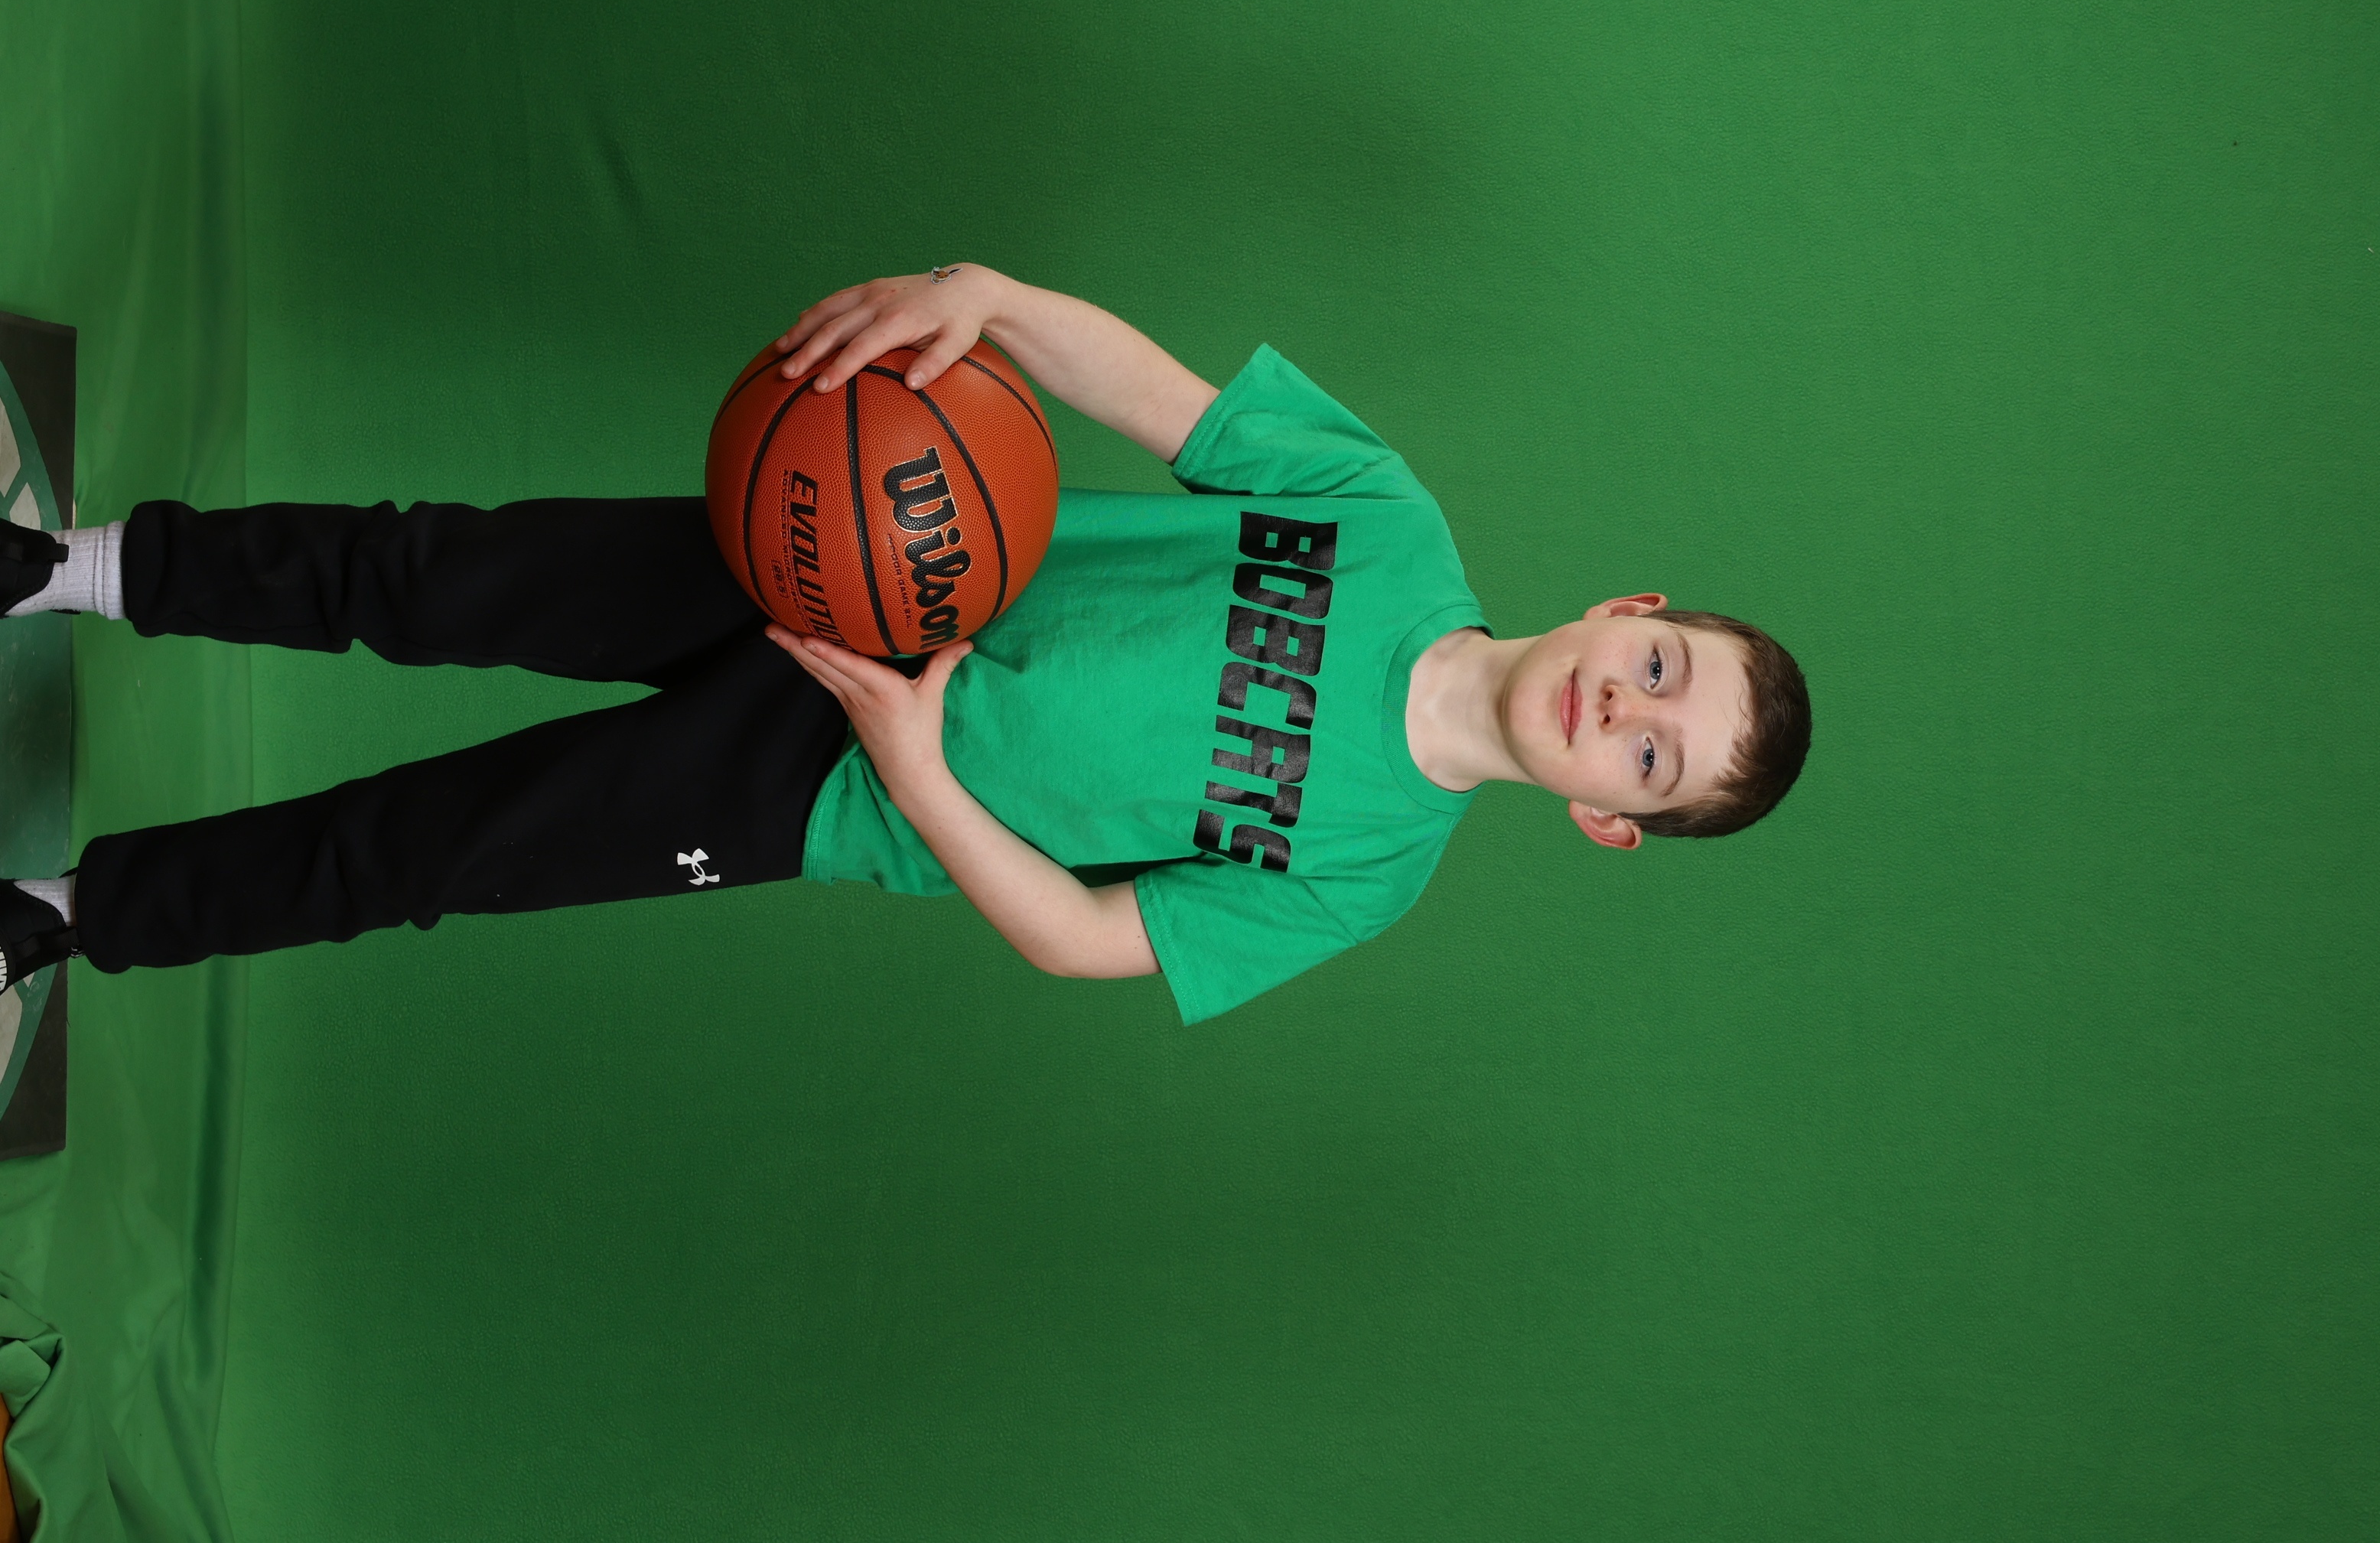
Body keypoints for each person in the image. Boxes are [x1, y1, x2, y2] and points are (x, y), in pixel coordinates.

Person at [0, 268, 1812, 1024]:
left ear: (1608, 817)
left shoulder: (1368, 869)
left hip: (829, 789)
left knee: (434, 850)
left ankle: (67, 914)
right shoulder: (1390, 521)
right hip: (849, 563)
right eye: (1661, 669)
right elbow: (1161, 397)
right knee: (434, 572)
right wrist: (992, 298)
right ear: (1630, 610)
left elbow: (1090, 938)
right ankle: (64, 566)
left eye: (1649, 755)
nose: (1622, 707)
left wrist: (919, 771)